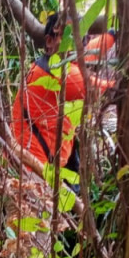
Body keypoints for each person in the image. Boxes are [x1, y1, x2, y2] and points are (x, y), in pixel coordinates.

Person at [11, 14, 115, 177]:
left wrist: (112, 36)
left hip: (41, 165)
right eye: (67, 35)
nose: (74, 42)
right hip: (35, 172)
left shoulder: (49, 64)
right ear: (49, 41)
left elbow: (88, 52)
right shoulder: (56, 73)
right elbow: (106, 89)